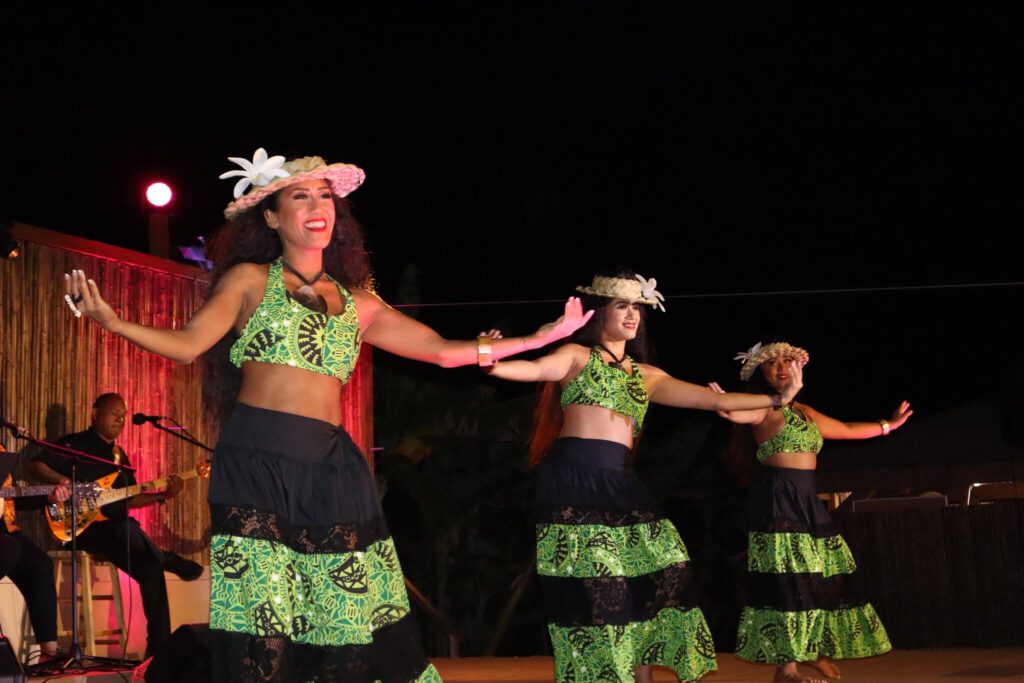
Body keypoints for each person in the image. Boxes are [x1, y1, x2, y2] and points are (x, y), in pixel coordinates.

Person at [60, 148, 590, 682]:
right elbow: (188, 344)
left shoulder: (360, 302)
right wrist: (112, 320)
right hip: (258, 460)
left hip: (332, 468)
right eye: (300, 195)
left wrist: (539, 338)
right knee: (263, 611)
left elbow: (442, 351)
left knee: (343, 607)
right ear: (271, 216)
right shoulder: (250, 280)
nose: (318, 205)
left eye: (325, 195)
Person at [482, 271, 803, 683]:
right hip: (575, 479)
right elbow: (534, 368)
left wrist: (778, 398)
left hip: (620, 481)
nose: (632, 314)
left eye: (638, 307)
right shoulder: (577, 357)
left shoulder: (646, 375)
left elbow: (711, 399)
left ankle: (641, 672)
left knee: (663, 567)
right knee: (600, 586)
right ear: (600, 313)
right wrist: (491, 360)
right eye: (622, 305)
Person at [710, 341, 910, 683]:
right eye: (772, 363)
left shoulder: (804, 411)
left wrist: (888, 425)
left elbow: (845, 430)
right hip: (779, 501)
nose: (782, 367)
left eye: (788, 361)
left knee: (822, 576)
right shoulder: (762, 407)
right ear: (759, 372)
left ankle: (810, 648)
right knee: (789, 579)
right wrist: (721, 404)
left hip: (807, 502)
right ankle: (787, 670)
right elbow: (734, 413)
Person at [28, 392, 202, 658]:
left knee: (150, 566)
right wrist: (64, 482)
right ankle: (168, 559)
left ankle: (158, 651)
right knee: (133, 535)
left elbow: (128, 500)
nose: (120, 419)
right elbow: (36, 464)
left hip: (118, 533)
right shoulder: (73, 444)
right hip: (80, 529)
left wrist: (162, 496)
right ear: (95, 414)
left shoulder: (120, 458)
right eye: (114, 413)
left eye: (123, 416)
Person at [0, 444, 68, 667]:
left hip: (4, 529)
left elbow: (11, 496)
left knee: (38, 564)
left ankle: (49, 653)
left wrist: (47, 497)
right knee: (9, 549)